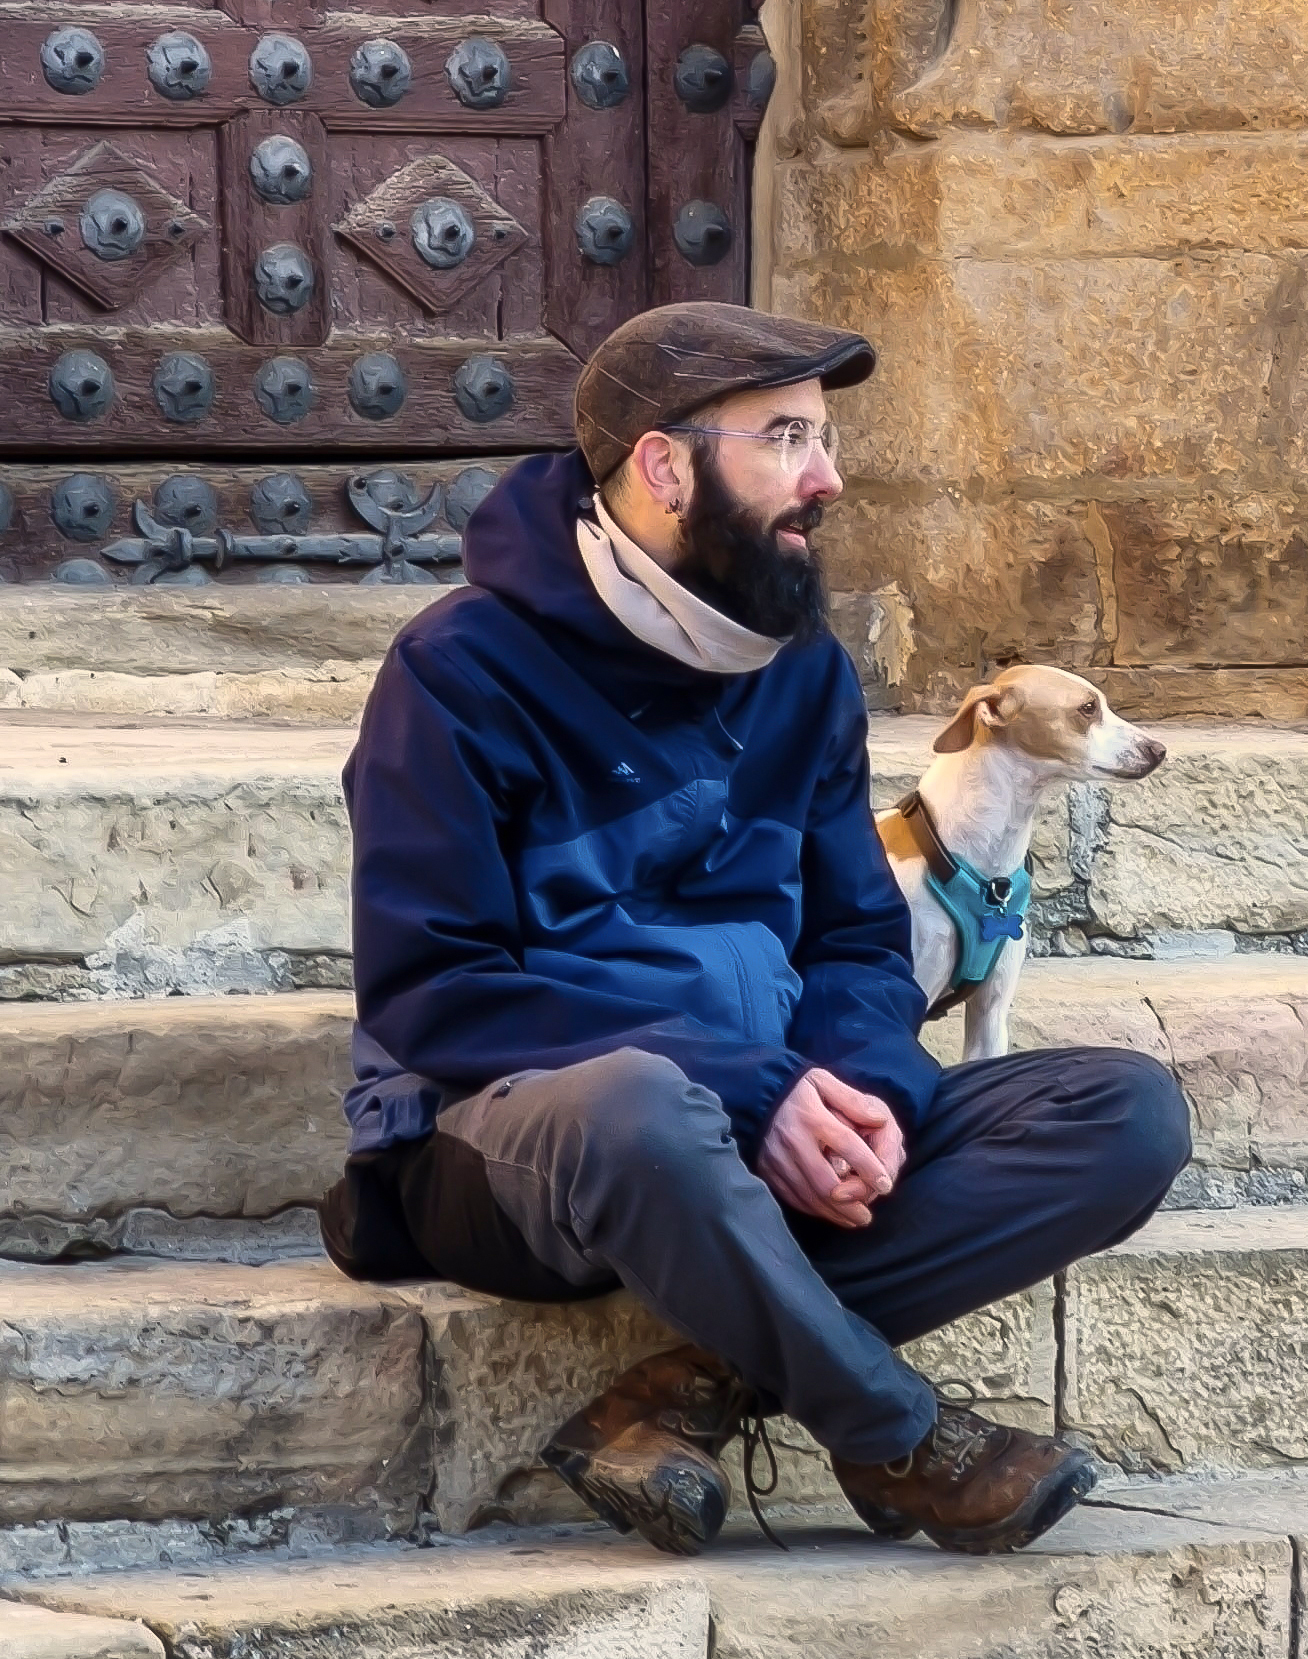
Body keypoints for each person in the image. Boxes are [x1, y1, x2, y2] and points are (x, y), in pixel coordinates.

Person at [319, 301, 1191, 1557]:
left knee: (1124, 1114)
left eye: (823, 438)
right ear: (664, 466)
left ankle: (692, 1388)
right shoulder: (457, 673)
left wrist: (860, 1088)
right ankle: (899, 1436)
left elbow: (857, 943)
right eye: (784, 438)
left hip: (762, 1101)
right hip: (517, 1143)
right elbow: (434, 989)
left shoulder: (805, 673)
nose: (825, 478)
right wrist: (755, 1090)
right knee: (641, 1103)